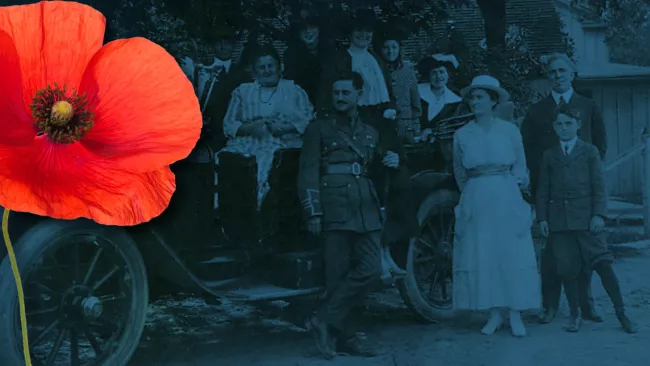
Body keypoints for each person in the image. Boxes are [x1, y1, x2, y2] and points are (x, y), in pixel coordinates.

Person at [298, 70, 400, 359]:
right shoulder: (318, 129)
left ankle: (323, 319)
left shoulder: (370, 132)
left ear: (359, 95)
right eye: (336, 93)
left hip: (366, 208)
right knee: (337, 276)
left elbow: (376, 170)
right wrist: (313, 211)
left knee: (369, 270)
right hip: (334, 209)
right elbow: (307, 173)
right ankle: (346, 337)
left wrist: (390, 160)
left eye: (346, 92)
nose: (340, 97)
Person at [521, 53, 607, 324]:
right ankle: (549, 306)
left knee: (583, 254)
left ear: (572, 73)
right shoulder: (536, 112)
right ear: (548, 77)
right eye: (552, 72)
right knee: (550, 255)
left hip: (581, 197)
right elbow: (527, 151)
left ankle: (586, 305)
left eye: (562, 70)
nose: (557, 75)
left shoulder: (588, 106)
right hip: (550, 196)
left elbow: (599, 147)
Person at [452, 75, 541, 337]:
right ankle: (494, 313)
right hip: (476, 195)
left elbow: (521, 164)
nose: (474, 102)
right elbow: (459, 170)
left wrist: (513, 186)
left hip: (505, 193)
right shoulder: (462, 134)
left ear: (493, 101)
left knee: (509, 252)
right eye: (472, 97)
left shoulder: (509, 130)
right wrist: (469, 195)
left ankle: (515, 313)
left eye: (480, 97)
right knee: (484, 253)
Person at [536, 108, 637, 333]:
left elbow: (599, 187)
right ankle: (575, 314)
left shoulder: (589, 151)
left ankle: (621, 313)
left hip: (588, 221)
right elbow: (543, 189)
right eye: (559, 124)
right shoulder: (549, 155)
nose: (564, 128)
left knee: (603, 264)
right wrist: (542, 218)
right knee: (568, 269)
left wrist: (599, 215)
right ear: (554, 127)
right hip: (560, 223)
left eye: (568, 123)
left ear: (578, 125)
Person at [222, 43, 314, 148]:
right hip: (246, 146)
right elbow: (228, 124)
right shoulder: (242, 91)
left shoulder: (294, 90)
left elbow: (309, 120)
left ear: (279, 67)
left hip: (283, 149)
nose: (267, 71)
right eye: (261, 67)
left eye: (271, 66)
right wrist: (250, 128)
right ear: (255, 71)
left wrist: (286, 127)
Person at [198, 26, 250, 150]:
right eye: (219, 43)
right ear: (213, 46)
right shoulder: (203, 71)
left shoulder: (242, 74)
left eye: (227, 44)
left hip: (231, 133)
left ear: (233, 46)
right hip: (206, 133)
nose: (223, 47)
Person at [374, 24, 422, 142]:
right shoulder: (375, 71)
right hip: (382, 127)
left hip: (405, 129)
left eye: (394, 47)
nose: (390, 51)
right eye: (386, 47)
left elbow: (415, 105)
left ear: (399, 49)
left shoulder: (408, 72)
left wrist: (416, 129)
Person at [283, 9, 333, 105]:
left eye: (312, 27)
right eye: (303, 28)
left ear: (319, 29)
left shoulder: (331, 51)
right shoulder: (291, 54)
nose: (308, 31)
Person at [416, 54, 464, 140]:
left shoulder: (455, 100)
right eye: (434, 73)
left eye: (441, 72)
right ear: (428, 76)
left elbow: (454, 126)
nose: (438, 76)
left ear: (448, 75)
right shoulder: (417, 93)